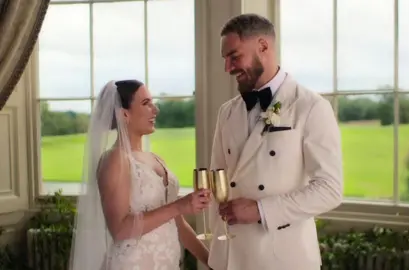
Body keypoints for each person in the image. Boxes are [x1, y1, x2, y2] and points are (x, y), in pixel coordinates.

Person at [207, 14, 343, 270]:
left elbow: (329, 190)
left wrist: (260, 210)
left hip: (282, 258)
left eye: (234, 57)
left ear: (263, 47)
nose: (227, 68)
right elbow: (218, 180)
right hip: (229, 256)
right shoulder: (227, 112)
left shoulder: (311, 107)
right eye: (225, 59)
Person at [69, 80, 211, 270]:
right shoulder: (114, 160)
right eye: (146, 104)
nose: (155, 110)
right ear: (124, 114)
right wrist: (180, 205)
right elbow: (119, 229)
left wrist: (211, 262)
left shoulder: (156, 159)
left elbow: (178, 223)